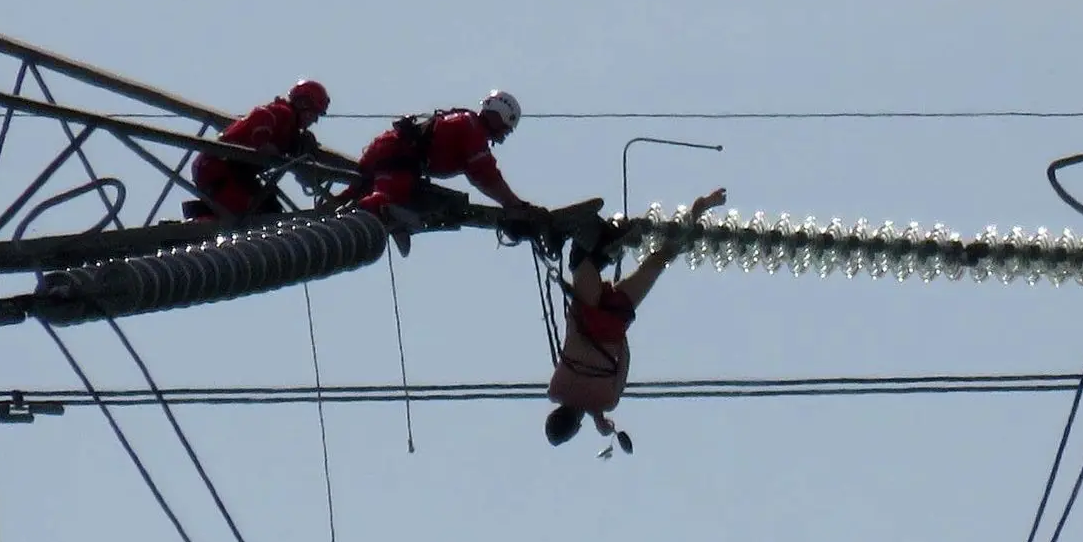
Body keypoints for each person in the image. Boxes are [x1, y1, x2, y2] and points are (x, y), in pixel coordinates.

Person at [544, 187, 728, 450]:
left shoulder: (607, 400)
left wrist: (619, 336)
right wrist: (595, 415)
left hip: (613, 320)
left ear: (574, 428)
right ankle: (603, 241)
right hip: (587, 309)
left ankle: (699, 209)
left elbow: (624, 362)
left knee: (660, 260)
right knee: (581, 260)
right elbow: (577, 395)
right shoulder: (556, 389)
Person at [331, 89, 547, 257]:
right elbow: (485, 174)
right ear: (501, 115)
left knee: (390, 199)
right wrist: (513, 204)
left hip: (397, 158)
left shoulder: (468, 126)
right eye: (508, 125)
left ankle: (346, 214)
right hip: (395, 157)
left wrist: (511, 203)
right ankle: (358, 217)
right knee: (388, 200)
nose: (507, 132)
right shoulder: (471, 127)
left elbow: (481, 176)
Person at [187, 79, 330, 219]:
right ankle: (199, 219)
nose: (314, 120)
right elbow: (261, 115)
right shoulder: (283, 113)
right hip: (219, 168)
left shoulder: (290, 131)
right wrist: (264, 142)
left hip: (233, 171)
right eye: (314, 113)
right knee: (257, 212)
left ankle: (204, 215)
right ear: (302, 103)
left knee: (269, 208)